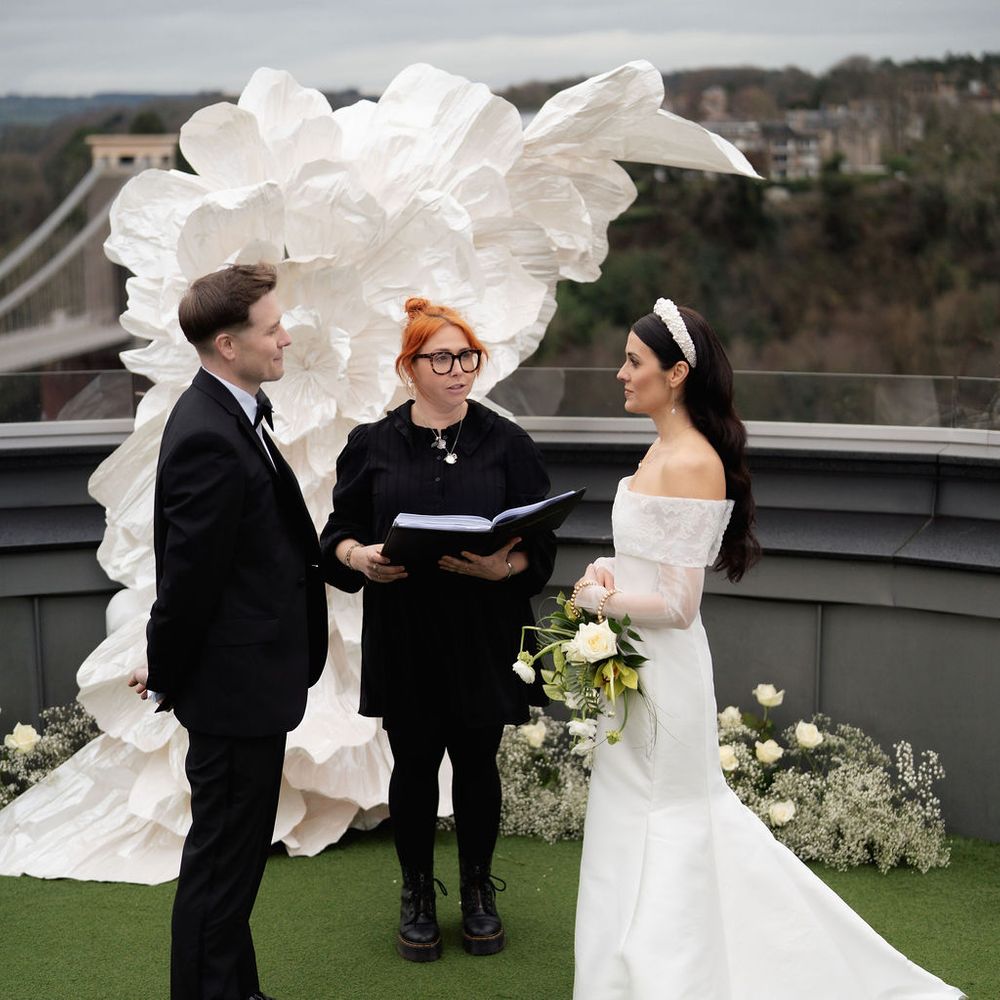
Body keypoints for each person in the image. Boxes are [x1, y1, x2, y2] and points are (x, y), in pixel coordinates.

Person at [570, 299, 965, 999]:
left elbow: (678, 603)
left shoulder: (692, 460)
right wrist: (605, 570)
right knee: (629, 809)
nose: (620, 373)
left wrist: (594, 604)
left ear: (678, 373)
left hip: (663, 675)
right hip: (628, 663)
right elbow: (649, 560)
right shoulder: (660, 446)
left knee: (674, 817)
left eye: (634, 361)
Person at [320, 296, 555, 962]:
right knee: (416, 765)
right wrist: (359, 557)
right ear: (409, 366)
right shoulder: (373, 443)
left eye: (468, 357)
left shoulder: (507, 442)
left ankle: (479, 892)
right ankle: (417, 895)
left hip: (485, 627)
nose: (459, 371)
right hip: (407, 628)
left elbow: (540, 544)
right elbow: (335, 535)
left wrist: (501, 565)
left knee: (478, 763)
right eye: (443, 358)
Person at [128, 263, 328, 1000]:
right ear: (225, 345)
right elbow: (189, 579)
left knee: (235, 863)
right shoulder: (208, 432)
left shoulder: (236, 409)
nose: (285, 337)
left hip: (247, 680)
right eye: (271, 329)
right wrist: (169, 665)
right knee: (219, 865)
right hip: (234, 690)